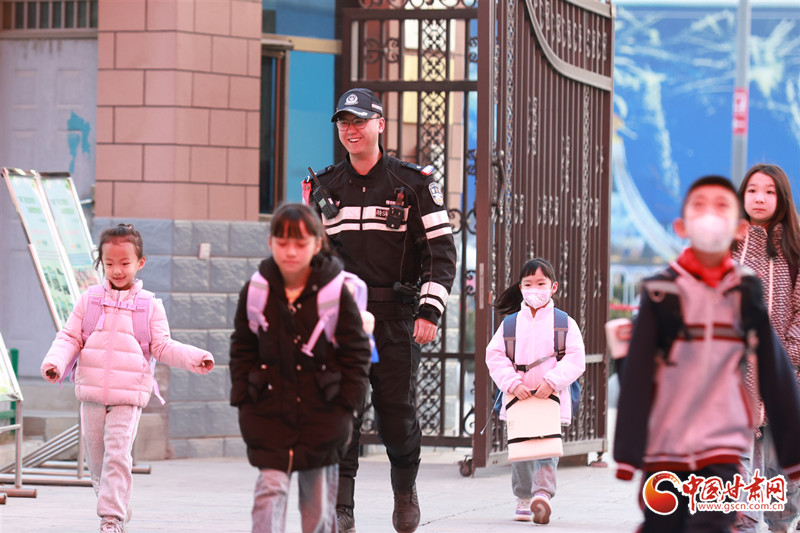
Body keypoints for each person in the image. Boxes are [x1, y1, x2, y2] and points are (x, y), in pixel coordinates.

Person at [304, 87, 457, 533]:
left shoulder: (414, 183)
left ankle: (405, 494)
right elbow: (312, 259)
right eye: (344, 122)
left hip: (396, 321)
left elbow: (441, 254)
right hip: (343, 323)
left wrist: (429, 312)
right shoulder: (324, 186)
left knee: (397, 416)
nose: (351, 129)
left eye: (359, 121)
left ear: (380, 125)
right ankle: (342, 508)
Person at [613, 175, 800, 532]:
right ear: (682, 226)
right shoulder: (661, 290)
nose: (711, 217)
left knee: (716, 517)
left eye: (720, 207)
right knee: (663, 521)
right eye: (700, 207)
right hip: (668, 435)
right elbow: (638, 375)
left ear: (736, 226)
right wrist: (628, 452)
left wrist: (793, 448)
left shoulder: (746, 290)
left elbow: (776, 371)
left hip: (723, 433)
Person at [40, 223, 215, 533]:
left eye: (124, 263)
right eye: (109, 263)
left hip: (129, 396)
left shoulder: (149, 306)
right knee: (97, 461)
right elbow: (69, 338)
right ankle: (117, 501)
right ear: (101, 263)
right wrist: (54, 362)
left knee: (118, 455)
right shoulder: (89, 300)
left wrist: (195, 357)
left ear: (140, 262)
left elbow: (162, 346)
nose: (117, 270)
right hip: (92, 395)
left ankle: (111, 518)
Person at [228, 203, 371, 533]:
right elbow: (242, 347)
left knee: (317, 509)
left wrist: (347, 404)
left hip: (323, 416)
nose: (290, 251)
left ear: (317, 244)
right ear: (270, 242)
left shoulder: (334, 292)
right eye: (282, 242)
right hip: (269, 413)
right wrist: (243, 396)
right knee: (269, 493)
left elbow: (356, 353)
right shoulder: (257, 290)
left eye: (300, 243)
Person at [485, 258, 585, 525]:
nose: (534, 289)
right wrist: (512, 383)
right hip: (519, 398)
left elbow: (575, 358)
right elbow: (495, 356)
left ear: (553, 287)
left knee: (547, 446)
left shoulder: (564, 323)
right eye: (528, 284)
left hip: (551, 397)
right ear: (520, 287)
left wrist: (552, 381)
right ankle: (523, 497)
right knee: (522, 448)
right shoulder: (510, 324)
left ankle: (542, 494)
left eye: (541, 283)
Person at [731, 164, 800, 532]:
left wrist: (785, 357)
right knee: (737, 465)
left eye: (769, 191)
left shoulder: (794, 249)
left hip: (784, 375)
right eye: (753, 190)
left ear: (782, 198)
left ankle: (781, 523)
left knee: (781, 473)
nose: (759, 198)